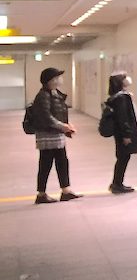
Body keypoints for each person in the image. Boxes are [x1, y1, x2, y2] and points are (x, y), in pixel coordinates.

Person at [32, 67, 80, 204]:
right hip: (47, 136)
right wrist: (63, 126)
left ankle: (65, 191)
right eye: (57, 77)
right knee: (46, 164)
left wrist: (67, 125)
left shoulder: (54, 93)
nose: (60, 80)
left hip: (56, 135)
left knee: (62, 162)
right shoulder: (43, 95)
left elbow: (58, 112)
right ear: (50, 80)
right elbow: (46, 116)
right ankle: (41, 194)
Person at [106, 72, 137, 194]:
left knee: (123, 157)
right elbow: (123, 118)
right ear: (120, 82)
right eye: (125, 77)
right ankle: (117, 184)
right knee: (123, 158)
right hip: (123, 134)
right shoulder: (121, 98)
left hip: (120, 132)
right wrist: (126, 134)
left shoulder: (119, 96)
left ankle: (117, 183)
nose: (128, 79)